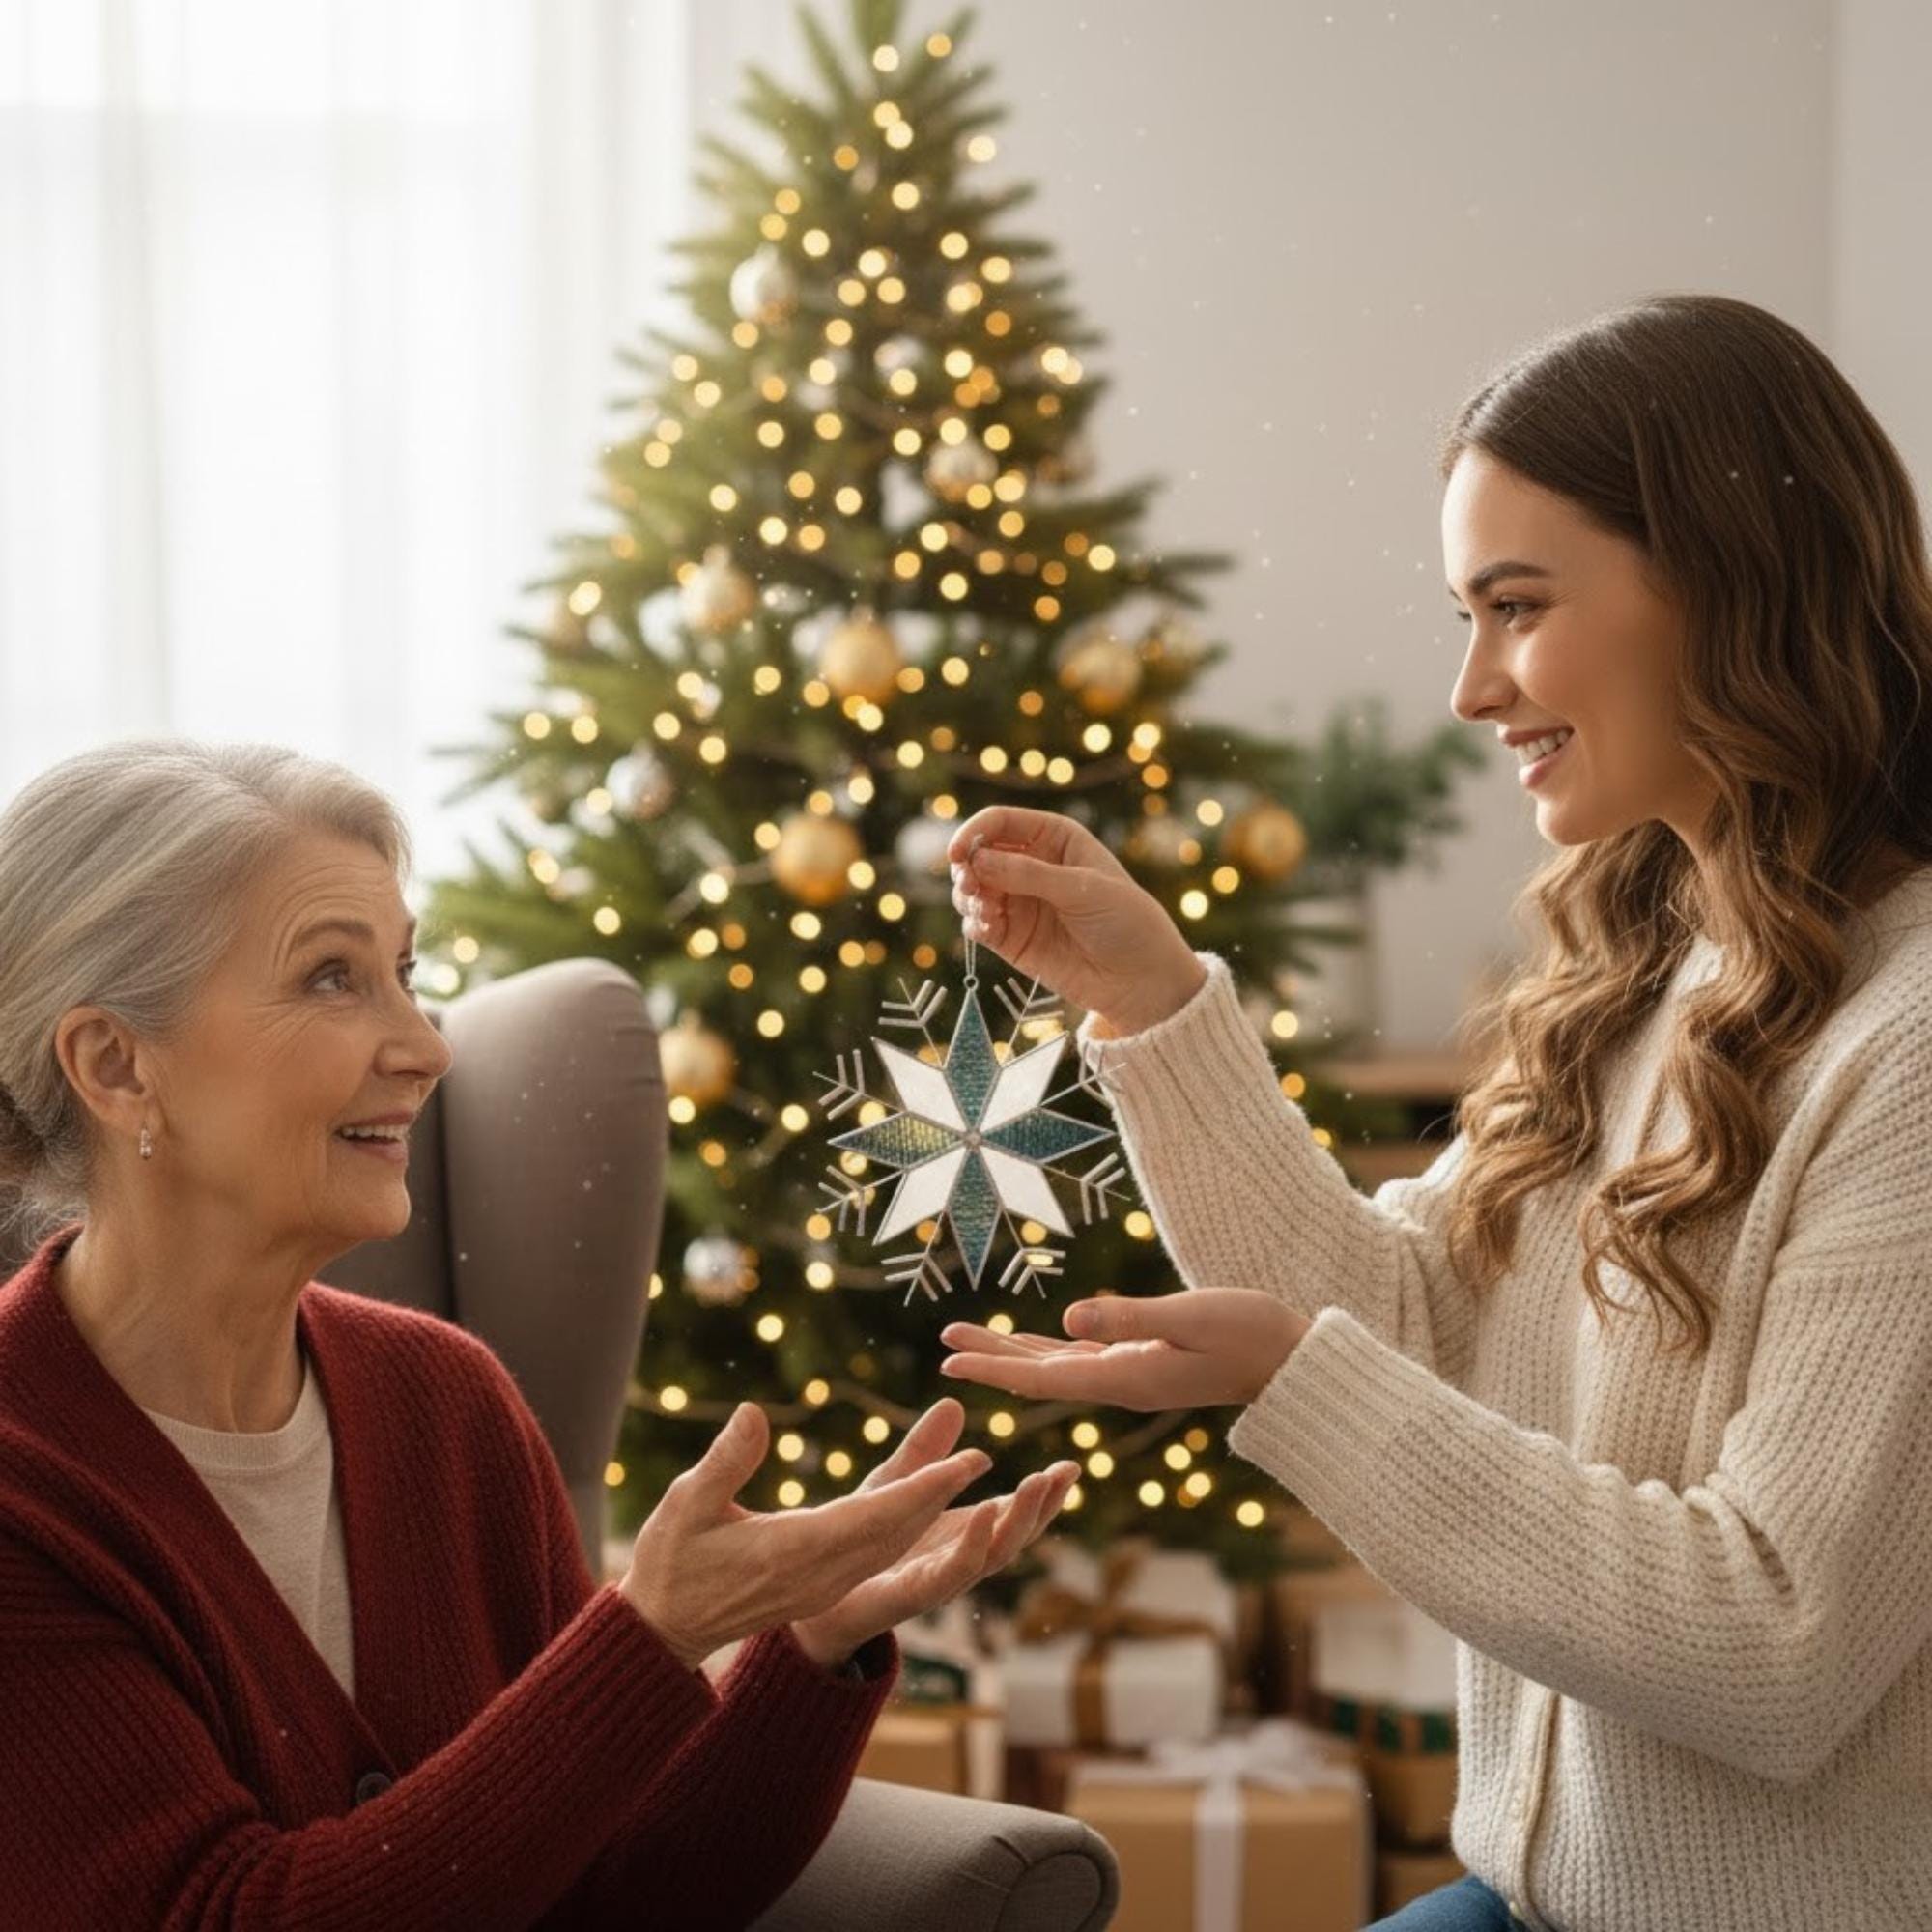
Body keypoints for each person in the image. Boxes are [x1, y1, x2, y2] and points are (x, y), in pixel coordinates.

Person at [937, 294, 1932, 1932]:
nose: (1475, 688)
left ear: (1727, 589)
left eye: (1518, 607)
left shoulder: (1903, 1050)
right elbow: (1402, 1310)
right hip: (1526, 1898)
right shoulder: (1643, 960)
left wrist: (1296, 1384)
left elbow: (1777, 1641)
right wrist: (1154, 1000)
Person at [0, 737, 1079, 1930]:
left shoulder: (444, 1400)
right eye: (328, 977)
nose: (424, 1045)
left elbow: (620, 1893)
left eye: (404, 972)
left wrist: (807, 1644)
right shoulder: (20, 1485)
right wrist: (646, 1635)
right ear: (114, 1063)